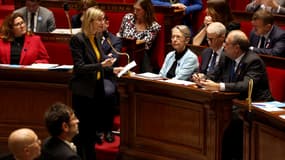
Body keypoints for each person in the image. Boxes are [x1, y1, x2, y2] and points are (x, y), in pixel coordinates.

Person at [193, 30, 273, 160]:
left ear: (237, 48)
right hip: (231, 101)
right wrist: (202, 78)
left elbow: (245, 86)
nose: (224, 45)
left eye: (227, 43)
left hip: (253, 104)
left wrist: (219, 86)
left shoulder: (253, 61)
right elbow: (214, 75)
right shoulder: (227, 57)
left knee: (231, 124)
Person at [69, 7, 123, 160]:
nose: (102, 22)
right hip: (83, 92)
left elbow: (100, 61)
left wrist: (113, 69)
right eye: (99, 20)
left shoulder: (96, 38)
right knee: (83, 132)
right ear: (90, 21)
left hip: (96, 89)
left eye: (103, 19)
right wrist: (102, 66)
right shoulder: (78, 39)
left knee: (91, 132)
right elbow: (79, 67)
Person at [117, 0, 161, 73]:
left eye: (138, 10)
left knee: (141, 54)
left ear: (146, 11)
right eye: (134, 9)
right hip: (123, 51)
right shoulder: (128, 18)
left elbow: (146, 45)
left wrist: (132, 41)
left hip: (141, 56)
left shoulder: (154, 26)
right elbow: (120, 34)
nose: (135, 12)